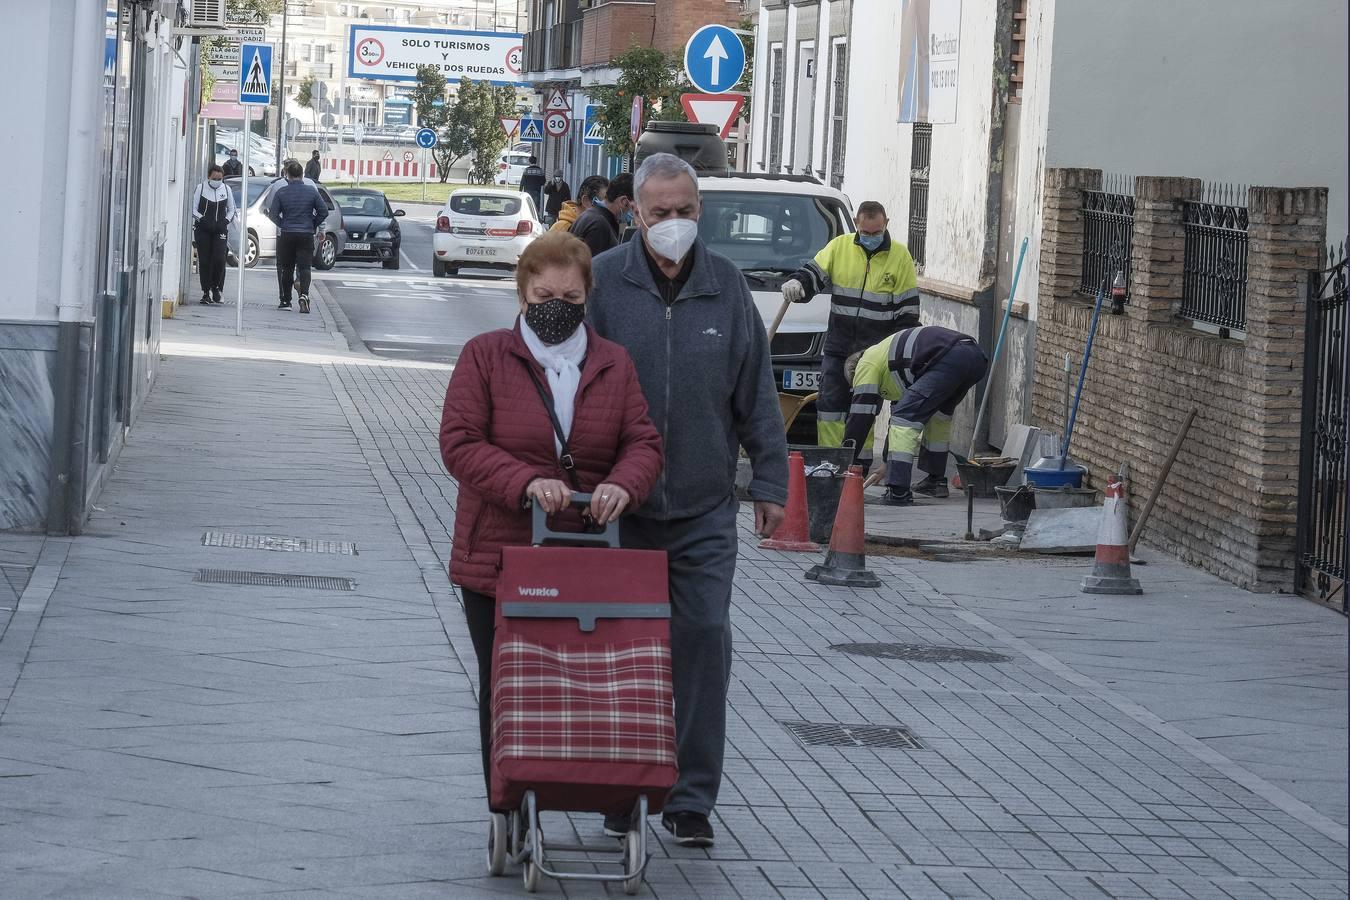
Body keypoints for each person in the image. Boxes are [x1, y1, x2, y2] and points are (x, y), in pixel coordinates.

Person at [586, 153, 788, 848]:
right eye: (659, 213)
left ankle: (691, 797)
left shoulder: (727, 288)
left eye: (684, 211)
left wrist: (769, 481)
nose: (673, 224)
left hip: (703, 506)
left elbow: (755, 392)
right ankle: (622, 790)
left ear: (701, 211)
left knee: (704, 640)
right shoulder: (605, 285)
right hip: (618, 509)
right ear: (635, 215)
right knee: (623, 651)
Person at [438, 231, 664, 808]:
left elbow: (643, 442)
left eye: (570, 297)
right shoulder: (485, 356)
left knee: (589, 687)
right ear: (522, 295)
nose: (556, 308)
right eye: (543, 296)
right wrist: (525, 483)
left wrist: (622, 484)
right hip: (499, 556)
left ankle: (591, 789)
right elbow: (460, 444)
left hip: (586, 560)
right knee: (507, 686)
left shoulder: (613, 363)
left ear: (588, 296)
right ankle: (506, 801)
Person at [779, 201, 919, 449]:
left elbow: (907, 314)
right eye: (866, 233)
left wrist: (896, 357)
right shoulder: (839, 247)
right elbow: (814, 272)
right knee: (830, 407)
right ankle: (830, 462)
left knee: (863, 409)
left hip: (873, 354)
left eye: (877, 233)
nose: (871, 237)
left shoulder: (900, 257)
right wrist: (798, 283)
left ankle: (857, 466)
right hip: (838, 347)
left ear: (886, 224)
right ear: (856, 224)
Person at [842, 324, 988, 504]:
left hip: (949, 357)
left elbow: (860, 416)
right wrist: (888, 463)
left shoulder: (865, 364)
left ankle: (898, 492)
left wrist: (844, 460)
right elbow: (896, 418)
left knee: (904, 420)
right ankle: (935, 482)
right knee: (938, 417)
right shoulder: (892, 365)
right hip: (975, 357)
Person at [266, 161, 328, 313]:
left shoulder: (282, 192)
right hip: (306, 234)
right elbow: (324, 211)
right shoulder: (312, 191)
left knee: (287, 268)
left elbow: (272, 214)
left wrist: (283, 223)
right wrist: (313, 224)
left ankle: (286, 301)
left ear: (287, 175)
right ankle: (304, 295)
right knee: (305, 267)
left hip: (287, 234)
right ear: (302, 175)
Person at [190, 164, 236, 305]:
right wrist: (202, 219)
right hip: (203, 228)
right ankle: (205, 291)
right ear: (209, 177)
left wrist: (225, 221)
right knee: (204, 260)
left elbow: (231, 209)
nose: (217, 181)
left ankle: (216, 287)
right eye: (214, 178)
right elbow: (193, 209)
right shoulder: (201, 188)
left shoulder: (226, 190)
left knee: (219, 258)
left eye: (220, 178)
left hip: (220, 229)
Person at [570, 173, 634, 258]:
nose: (635, 213)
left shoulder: (593, 216)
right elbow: (595, 268)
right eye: (635, 208)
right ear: (624, 202)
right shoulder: (599, 225)